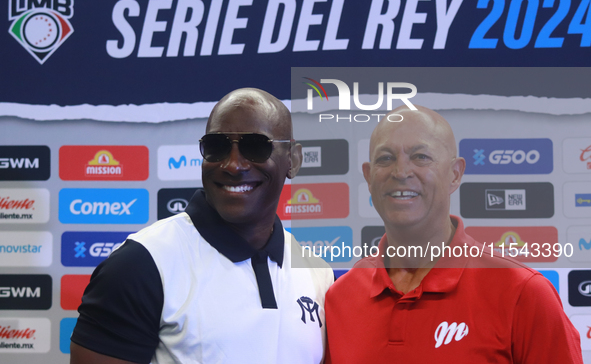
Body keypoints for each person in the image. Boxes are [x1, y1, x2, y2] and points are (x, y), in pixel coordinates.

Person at [70, 88, 334, 364]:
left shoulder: (317, 272)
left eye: (256, 146)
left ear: (293, 159)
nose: (233, 164)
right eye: (216, 147)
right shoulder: (142, 263)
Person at [324, 106, 583, 363]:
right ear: (368, 178)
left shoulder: (522, 293)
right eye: (385, 158)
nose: (401, 172)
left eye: (420, 156)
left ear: (455, 174)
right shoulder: (340, 298)